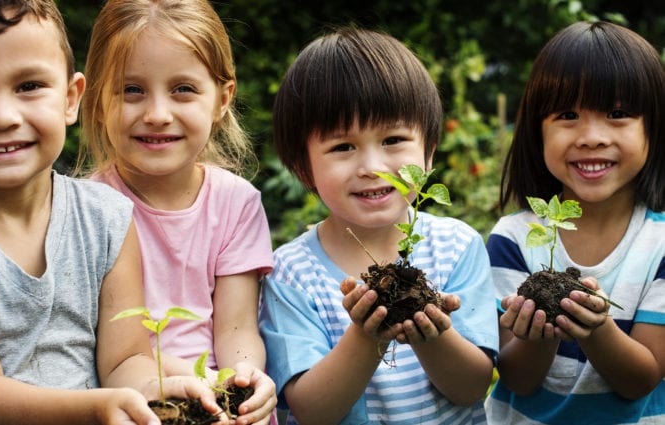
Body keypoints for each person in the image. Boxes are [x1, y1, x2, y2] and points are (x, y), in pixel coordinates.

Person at [0, 1, 222, 424]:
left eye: (28, 86)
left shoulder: (107, 217)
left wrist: (161, 390)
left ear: (70, 99)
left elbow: (125, 361)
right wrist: (99, 407)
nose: (3, 117)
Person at [259, 27, 499, 425]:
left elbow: (472, 386)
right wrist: (366, 333)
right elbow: (312, 412)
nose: (372, 167)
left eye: (393, 140)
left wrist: (433, 334)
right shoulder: (291, 273)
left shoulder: (457, 246)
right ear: (304, 168)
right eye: (342, 147)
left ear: (429, 152)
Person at [78, 1, 277, 424]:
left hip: (217, 401)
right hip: (132, 402)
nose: (157, 114)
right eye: (132, 90)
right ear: (97, 102)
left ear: (222, 100)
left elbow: (236, 327)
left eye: (182, 89)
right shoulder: (84, 209)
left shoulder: (236, 202)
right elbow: (108, 349)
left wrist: (241, 378)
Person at [484, 21, 665, 424]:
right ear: (537, 131)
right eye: (568, 114)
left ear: (653, 129)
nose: (591, 136)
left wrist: (596, 328)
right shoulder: (513, 240)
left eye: (617, 114)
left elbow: (642, 378)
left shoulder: (661, 243)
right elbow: (517, 377)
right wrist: (538, 333)